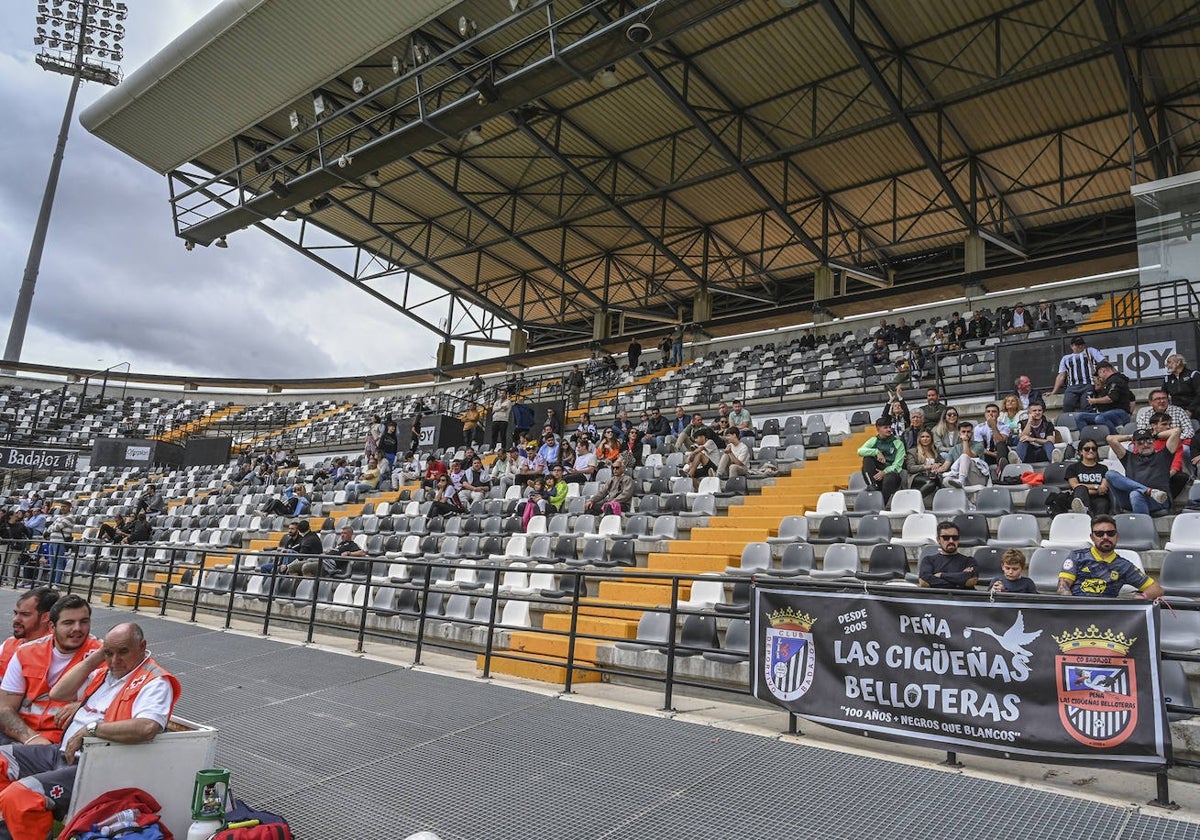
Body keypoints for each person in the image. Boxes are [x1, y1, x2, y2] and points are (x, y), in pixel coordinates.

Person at [0, 622, 179, 840]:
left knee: (21, 796)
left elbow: (147, 727)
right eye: (109, 653)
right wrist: (96, 658)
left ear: (142, 646)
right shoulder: (105, 672)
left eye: (123, 652)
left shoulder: (154, 681)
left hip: (96, 766)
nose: (115, 660)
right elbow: (58, 692)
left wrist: (92, 729)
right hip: (63, 752)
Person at [0, 595, 101, 746]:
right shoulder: (25, 653)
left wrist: (84, 706)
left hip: (66, 742)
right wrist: (31, 738)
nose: (77, 629)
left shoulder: (103, 655)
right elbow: (4, 708)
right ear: (52, 627)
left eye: (84, 622)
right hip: (22, 735)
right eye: (69, 623)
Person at [1057, 514, 1164, 598]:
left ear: (1117, 536)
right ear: (1092, 537)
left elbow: (1157, 589)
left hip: (1108, 616)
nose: (1105, 537)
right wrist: (1071, 604)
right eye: (1099, 534)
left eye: (1110, 533)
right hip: (1077, 611)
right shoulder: (1077, 556)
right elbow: (1063, 585)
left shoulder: (1124, 566)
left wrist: (1142, 596)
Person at [1106, 427, 1180, 514]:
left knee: (1136, 494)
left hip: (1157, 500)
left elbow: (1176, 431)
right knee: (1110, 474)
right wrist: (1131, 437)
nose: (1145, 445)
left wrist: (1155, 435)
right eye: (1140, 442)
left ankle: (1143, 523)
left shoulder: (1164, 455)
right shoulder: (1128, 457)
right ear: (1135, 444)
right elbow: (1110, 439)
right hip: (1130, 500)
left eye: (1149, 441)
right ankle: (1148, 491)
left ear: (1153, 441)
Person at [0, 589, 58, 676]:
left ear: (46, 617)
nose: (15, 619)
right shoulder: (9, 644)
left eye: (25, 614)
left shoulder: (56, 650)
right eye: (16, 613)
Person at [1047, 336, 1106, 412]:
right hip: (1072, 387)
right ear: (1072, 346)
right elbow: (1061, 376)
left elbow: (1104, 362)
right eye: (1077, 345)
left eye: (1081, 344)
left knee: (1087, 405)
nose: (1080, 346)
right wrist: (1054, 392)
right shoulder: (1066, 358)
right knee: (1067, 404)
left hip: (1088, 384)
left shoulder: (1090, 351)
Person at [1076, 361, 1133, 434]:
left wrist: (1094, 401)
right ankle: (1090, 440)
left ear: (1103, 371)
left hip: (1119, 413)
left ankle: (1116, 438)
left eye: (1099, 374)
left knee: (1100, 418)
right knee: (1080, 417)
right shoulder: (1109, 382)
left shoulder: (1116, 380)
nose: (1099, 377)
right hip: (1105, 413)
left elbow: (1111, 398)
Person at [857, 418, 905, 504]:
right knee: (867, 459)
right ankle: (873, 485)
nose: (889, 429)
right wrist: (876, 452)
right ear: (878, 429)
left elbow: (898, 466)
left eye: (890, 427)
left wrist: (884, 472)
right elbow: (860, 451)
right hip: (877, 475)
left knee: (889, 477)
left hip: (891, 475)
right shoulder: (874, 440)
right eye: (885, 427)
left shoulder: (898, 443)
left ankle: (881, 504)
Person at [918, 523, 977, 589]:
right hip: (937, 598)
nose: (951, 541)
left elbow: (971, 581)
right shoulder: (928, 560)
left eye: (955, 537)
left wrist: (941, 575)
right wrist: (958, 583)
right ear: (938, 540)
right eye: (946, 538)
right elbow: (924, 582)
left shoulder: (969, 561)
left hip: (962, 598)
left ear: (959, 539)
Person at [291, 525, 365, 578]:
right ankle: (295, 591)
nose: (342, 535)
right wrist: (331, 550)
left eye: (345, 533)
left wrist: (349, 553)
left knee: (306, 567)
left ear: (350, 534)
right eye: (341, 533)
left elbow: (362, 553)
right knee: (293, 567)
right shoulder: (340, 544)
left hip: (328, 566)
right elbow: (337, 551)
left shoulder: (352, 545)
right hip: (321, 560)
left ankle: (308, 592)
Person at [1067, 440, 1111, 515]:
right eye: (1087, 449)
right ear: (1081, 452)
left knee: (1102, 505)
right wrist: (1096, 486)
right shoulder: (1073, 468)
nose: (1091, 451)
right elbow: (1075, 486)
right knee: (1080, 489)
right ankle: (1084, 511)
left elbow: (1103, 489)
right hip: (1080, 497)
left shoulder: (1103, 468)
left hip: (1098, 498)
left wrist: (1089, 490)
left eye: (1093, 449)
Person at [905, 428, 948, 498]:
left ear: (931, 439)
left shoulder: (935, 452)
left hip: (932, 475)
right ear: (919, 439)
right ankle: (914, 500)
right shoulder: (912, 451)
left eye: (927, 437)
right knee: (931, 483)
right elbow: (911, 468)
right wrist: (926, 466)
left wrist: (938, 464)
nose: (925, 439)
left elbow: (944, 463)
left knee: (939, 480)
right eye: (922, 437)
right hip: (917, 476)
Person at [944, 422, 988, 488]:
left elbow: (969, 456)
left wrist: (965, 441)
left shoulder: (978, 445)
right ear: (959, 433)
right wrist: (935, 468)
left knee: (964, 456)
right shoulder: (954, 449)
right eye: (963, 432)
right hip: (960, 477)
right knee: (946, 480)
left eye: (968, 432)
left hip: (977, 477)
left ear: (972, 434)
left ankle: (961, 481)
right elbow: (945, 466)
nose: (966, 434)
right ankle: (961, 488)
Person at [972, 403, 1010, 468]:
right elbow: (980, 448)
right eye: (988, 411)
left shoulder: (1005, 426)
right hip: (987, 453)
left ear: (998, 414)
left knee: (1001, 445)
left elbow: (999, 441)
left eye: (994, 411)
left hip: (1001, 451)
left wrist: (993, 425)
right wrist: (992, 454)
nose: (991, 413)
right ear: (985, 414)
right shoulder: (979, 428)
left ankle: (1001, 468)